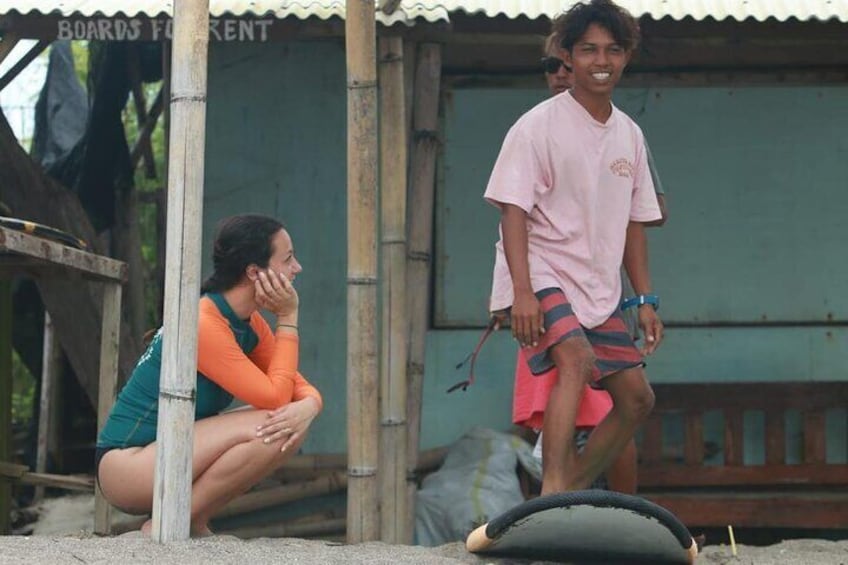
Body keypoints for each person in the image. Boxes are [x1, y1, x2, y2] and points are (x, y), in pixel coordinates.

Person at [485, 0, 662, 495]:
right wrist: (522, 291)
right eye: (587, 50)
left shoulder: (629, 134)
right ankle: (553, 492)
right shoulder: (537, 125)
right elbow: (512, 210)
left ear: (626, 57)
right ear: (569, 55)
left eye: (612, 50)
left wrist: (643, 300)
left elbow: (635, 223)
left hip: (598, 287)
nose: (600, 60)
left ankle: (570, 487)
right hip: (542, 273)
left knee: (636, 399)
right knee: (577, 362)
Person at [95, 214, 323, 536]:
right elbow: (275, 398)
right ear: (255, 273)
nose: (297, 268)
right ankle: (169, 521)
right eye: (288, 259)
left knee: (290, 426)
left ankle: (193, 518)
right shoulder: (204, 323)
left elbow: (299, 389)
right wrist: (287, 317)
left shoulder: (248, 322)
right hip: (126, 467)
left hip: (168, 454)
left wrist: (311, 406)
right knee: (277, 423)